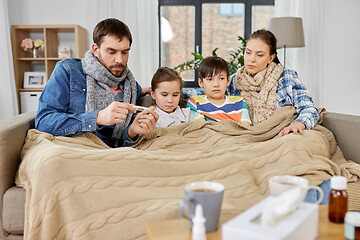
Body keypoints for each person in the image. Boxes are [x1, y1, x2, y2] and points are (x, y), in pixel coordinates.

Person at [35, 18, 159, 147]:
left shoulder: (132, 87)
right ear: (95, 49)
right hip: (74, 148)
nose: (119, 60)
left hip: (110, 154)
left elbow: (119, 143)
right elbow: (43, 122)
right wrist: (97, 118)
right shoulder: (68, 71)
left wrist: (132, 131)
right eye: (111, 52)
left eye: (125, 52)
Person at [231, 29, 319, 136]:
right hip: (243, 137)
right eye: (248, 52)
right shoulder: (233, 80)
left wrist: (298, 124)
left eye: (259, 55)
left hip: (279, 135)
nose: (251, 59)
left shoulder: (286, 77)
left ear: (271, 58)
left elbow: (308, 108)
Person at [187, 56, 251, 127]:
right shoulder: (195, 102)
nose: (216, 84)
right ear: (201, 82)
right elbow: (202, 127)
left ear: (228, 81)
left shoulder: (240, 102)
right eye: (210, 79)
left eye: (221, 78)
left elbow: (245, 128)